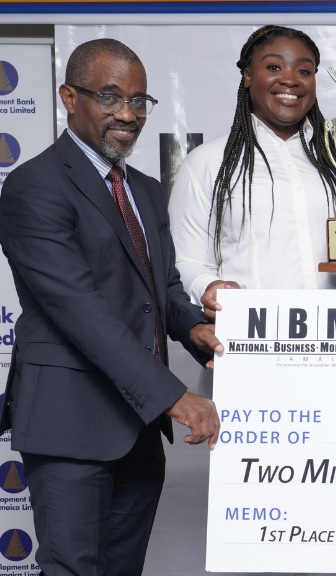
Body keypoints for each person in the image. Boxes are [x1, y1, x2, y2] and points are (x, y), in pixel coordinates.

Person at [0, 38, 223, 575]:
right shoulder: (34, 187)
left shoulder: (144, 190)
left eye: (141, 101)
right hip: (69, 425)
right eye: (110, 97)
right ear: (68, 98)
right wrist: (175, 397)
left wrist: (196, 329)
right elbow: (81, 312)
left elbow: (161, 289)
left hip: (137, 430)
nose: (129, 114)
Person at [170, 25, 336, 319]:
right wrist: (208, 286)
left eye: (304, 71)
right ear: (248, 75)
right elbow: (186, 262)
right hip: (252, 341)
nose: (290, 80)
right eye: (274, 67)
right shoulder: (207, 162)